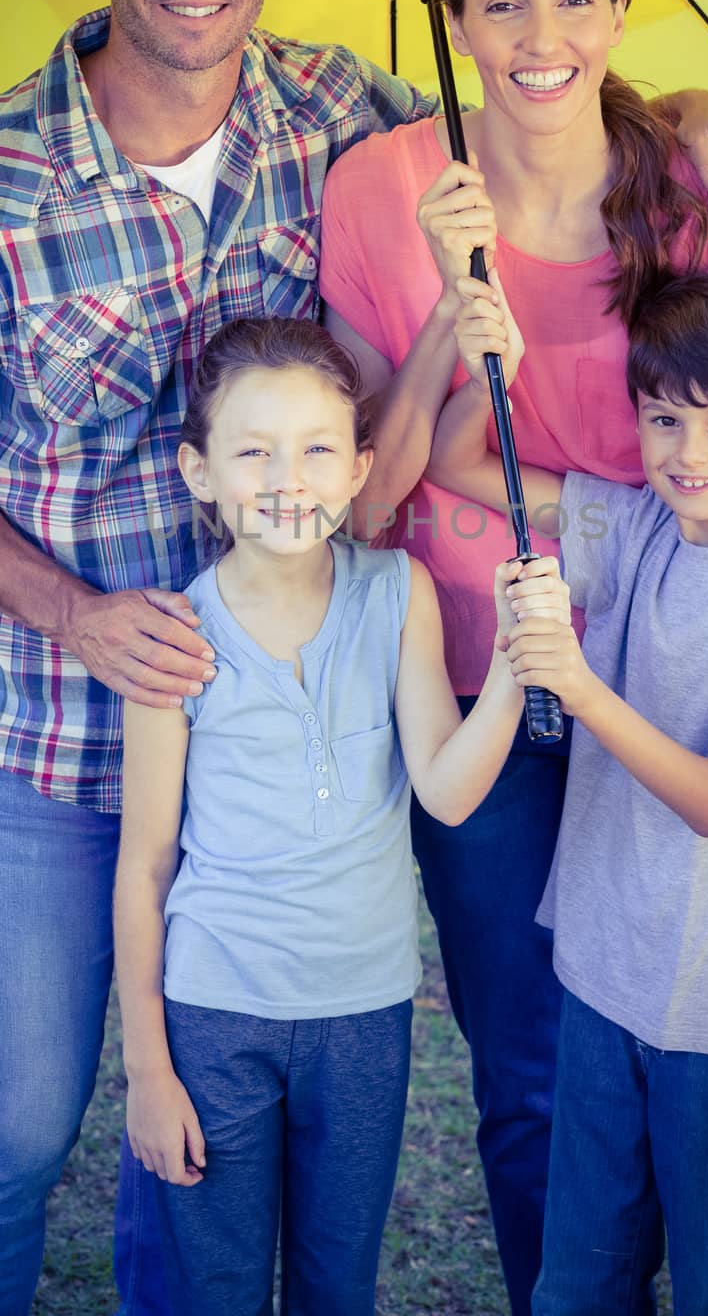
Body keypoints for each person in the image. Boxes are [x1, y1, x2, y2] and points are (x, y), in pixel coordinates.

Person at [0, 0, 708, 1315]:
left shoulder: (338, 116)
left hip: (292, 730)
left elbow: (535, 79)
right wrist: (73, 612)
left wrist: (686, 115)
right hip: (64, 724)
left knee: (258, 1103)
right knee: (23, 1127)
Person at [318, 0, 708, 1314]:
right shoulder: (380, 194)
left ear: (623, 11)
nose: (537, 33)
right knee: (529, 1078)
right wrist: (447, 309)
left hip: (685, 675)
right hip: (483, 676)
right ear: (447, 17)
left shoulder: (703, 184)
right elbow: (371, 498)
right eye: (495, 2)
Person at [433, 269, 708, 1313]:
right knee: (579, 1276)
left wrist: (577, 686)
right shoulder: (630, 528)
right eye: (663, 418)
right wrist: (494, 363)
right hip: (601, 977)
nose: (688, 453)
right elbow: (460, 457)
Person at [114, 315, 556, 1314]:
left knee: (335, 1285)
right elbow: (143, 867)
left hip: (362, 1012)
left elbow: (444, 788)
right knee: (217, 1285)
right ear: (199, 470)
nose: (287, 477)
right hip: (216, 1013)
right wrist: (147, 1067)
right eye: (253, 450)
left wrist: (511, 666)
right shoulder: (172, 637)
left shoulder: (395, 592)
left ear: (361, 468)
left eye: (317, 448)